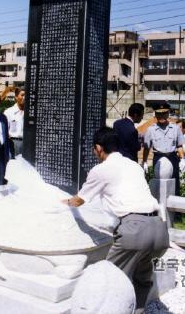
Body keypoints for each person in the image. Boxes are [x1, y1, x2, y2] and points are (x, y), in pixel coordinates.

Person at [64, 127, 169, 310]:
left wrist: (60, 202)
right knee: (142, 280)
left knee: (108, 281)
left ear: (98, 148)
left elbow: (79, 200)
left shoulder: (101, 170)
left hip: (134, 231)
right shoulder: (133, 166)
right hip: (160, 230)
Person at [143, 103, 184, 196]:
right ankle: (158, 206)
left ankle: (175, 208)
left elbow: (179, 145)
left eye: (164, 113)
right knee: (159, 184)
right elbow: (146, 148)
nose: (162, 116)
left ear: (168, 113)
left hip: (173, 157)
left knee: (175, 184)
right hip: (158, 158)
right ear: (155, 115)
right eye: (159, 114)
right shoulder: (151, 130)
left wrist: (182, 159)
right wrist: (144, 162)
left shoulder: (175, 128)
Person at [4, 86, 25, 157]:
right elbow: (4, 131)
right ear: (16, 97)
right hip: (13, 143)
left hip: (26, 143)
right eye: (22, 95)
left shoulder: (30, 113)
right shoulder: (9, 112)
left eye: (26, 95)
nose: (24, 98)